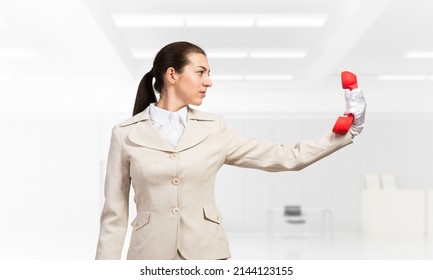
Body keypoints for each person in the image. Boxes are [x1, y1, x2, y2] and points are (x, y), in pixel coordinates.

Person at [95, 41, 366, 260]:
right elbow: (114, 216)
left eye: (209, 74)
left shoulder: (214, 129)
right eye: (200, 72)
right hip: (148, 257)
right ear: (172, 75)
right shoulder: (125, 133)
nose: (208, 81)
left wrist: (346, 133)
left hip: (206, 254)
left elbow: (285, 157)